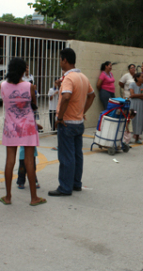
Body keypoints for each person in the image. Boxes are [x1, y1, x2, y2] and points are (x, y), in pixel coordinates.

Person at [48, 48, 95, 197]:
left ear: (65, 60)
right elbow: (91, 96)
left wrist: (59, 118)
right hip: (78, 122)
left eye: (60, 59)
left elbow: (66, 97)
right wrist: (82, 111)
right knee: (76, 155)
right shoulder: (83, 77)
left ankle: (65, 187)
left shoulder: (68, 78)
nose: (60, 62)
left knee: (66, 156)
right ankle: (76, 183)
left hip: (67, 122)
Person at [0, 57, 45, 206]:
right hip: (28, 127)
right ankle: (34, 198)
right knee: (29, 161)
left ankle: (7, 197)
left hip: (10, 127)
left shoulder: (3, 85)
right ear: (22, 70)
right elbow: (34, 105)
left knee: (9, 161)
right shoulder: (29, 86)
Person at [129, 72, 143, 144]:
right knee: (132, 119)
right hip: (133, 105)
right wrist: (142, 95)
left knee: (139, 119)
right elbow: (132, 94)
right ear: (137, 78)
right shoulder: (132, 84)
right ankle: (128, 137)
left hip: (140, 105)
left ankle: (137, 138)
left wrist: (135, 96)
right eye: (142, 77)